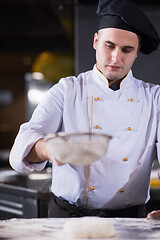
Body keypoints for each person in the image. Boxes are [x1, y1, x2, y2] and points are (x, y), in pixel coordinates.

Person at [10, 0, 160, 219]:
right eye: (110, 46)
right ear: (96, 41)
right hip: (68, 218)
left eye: (127, 50)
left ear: (137, 52)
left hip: (130, 220)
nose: (116, 58)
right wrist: (50, 149)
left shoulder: (154, 98)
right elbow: (21, 147)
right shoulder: (67, 90)